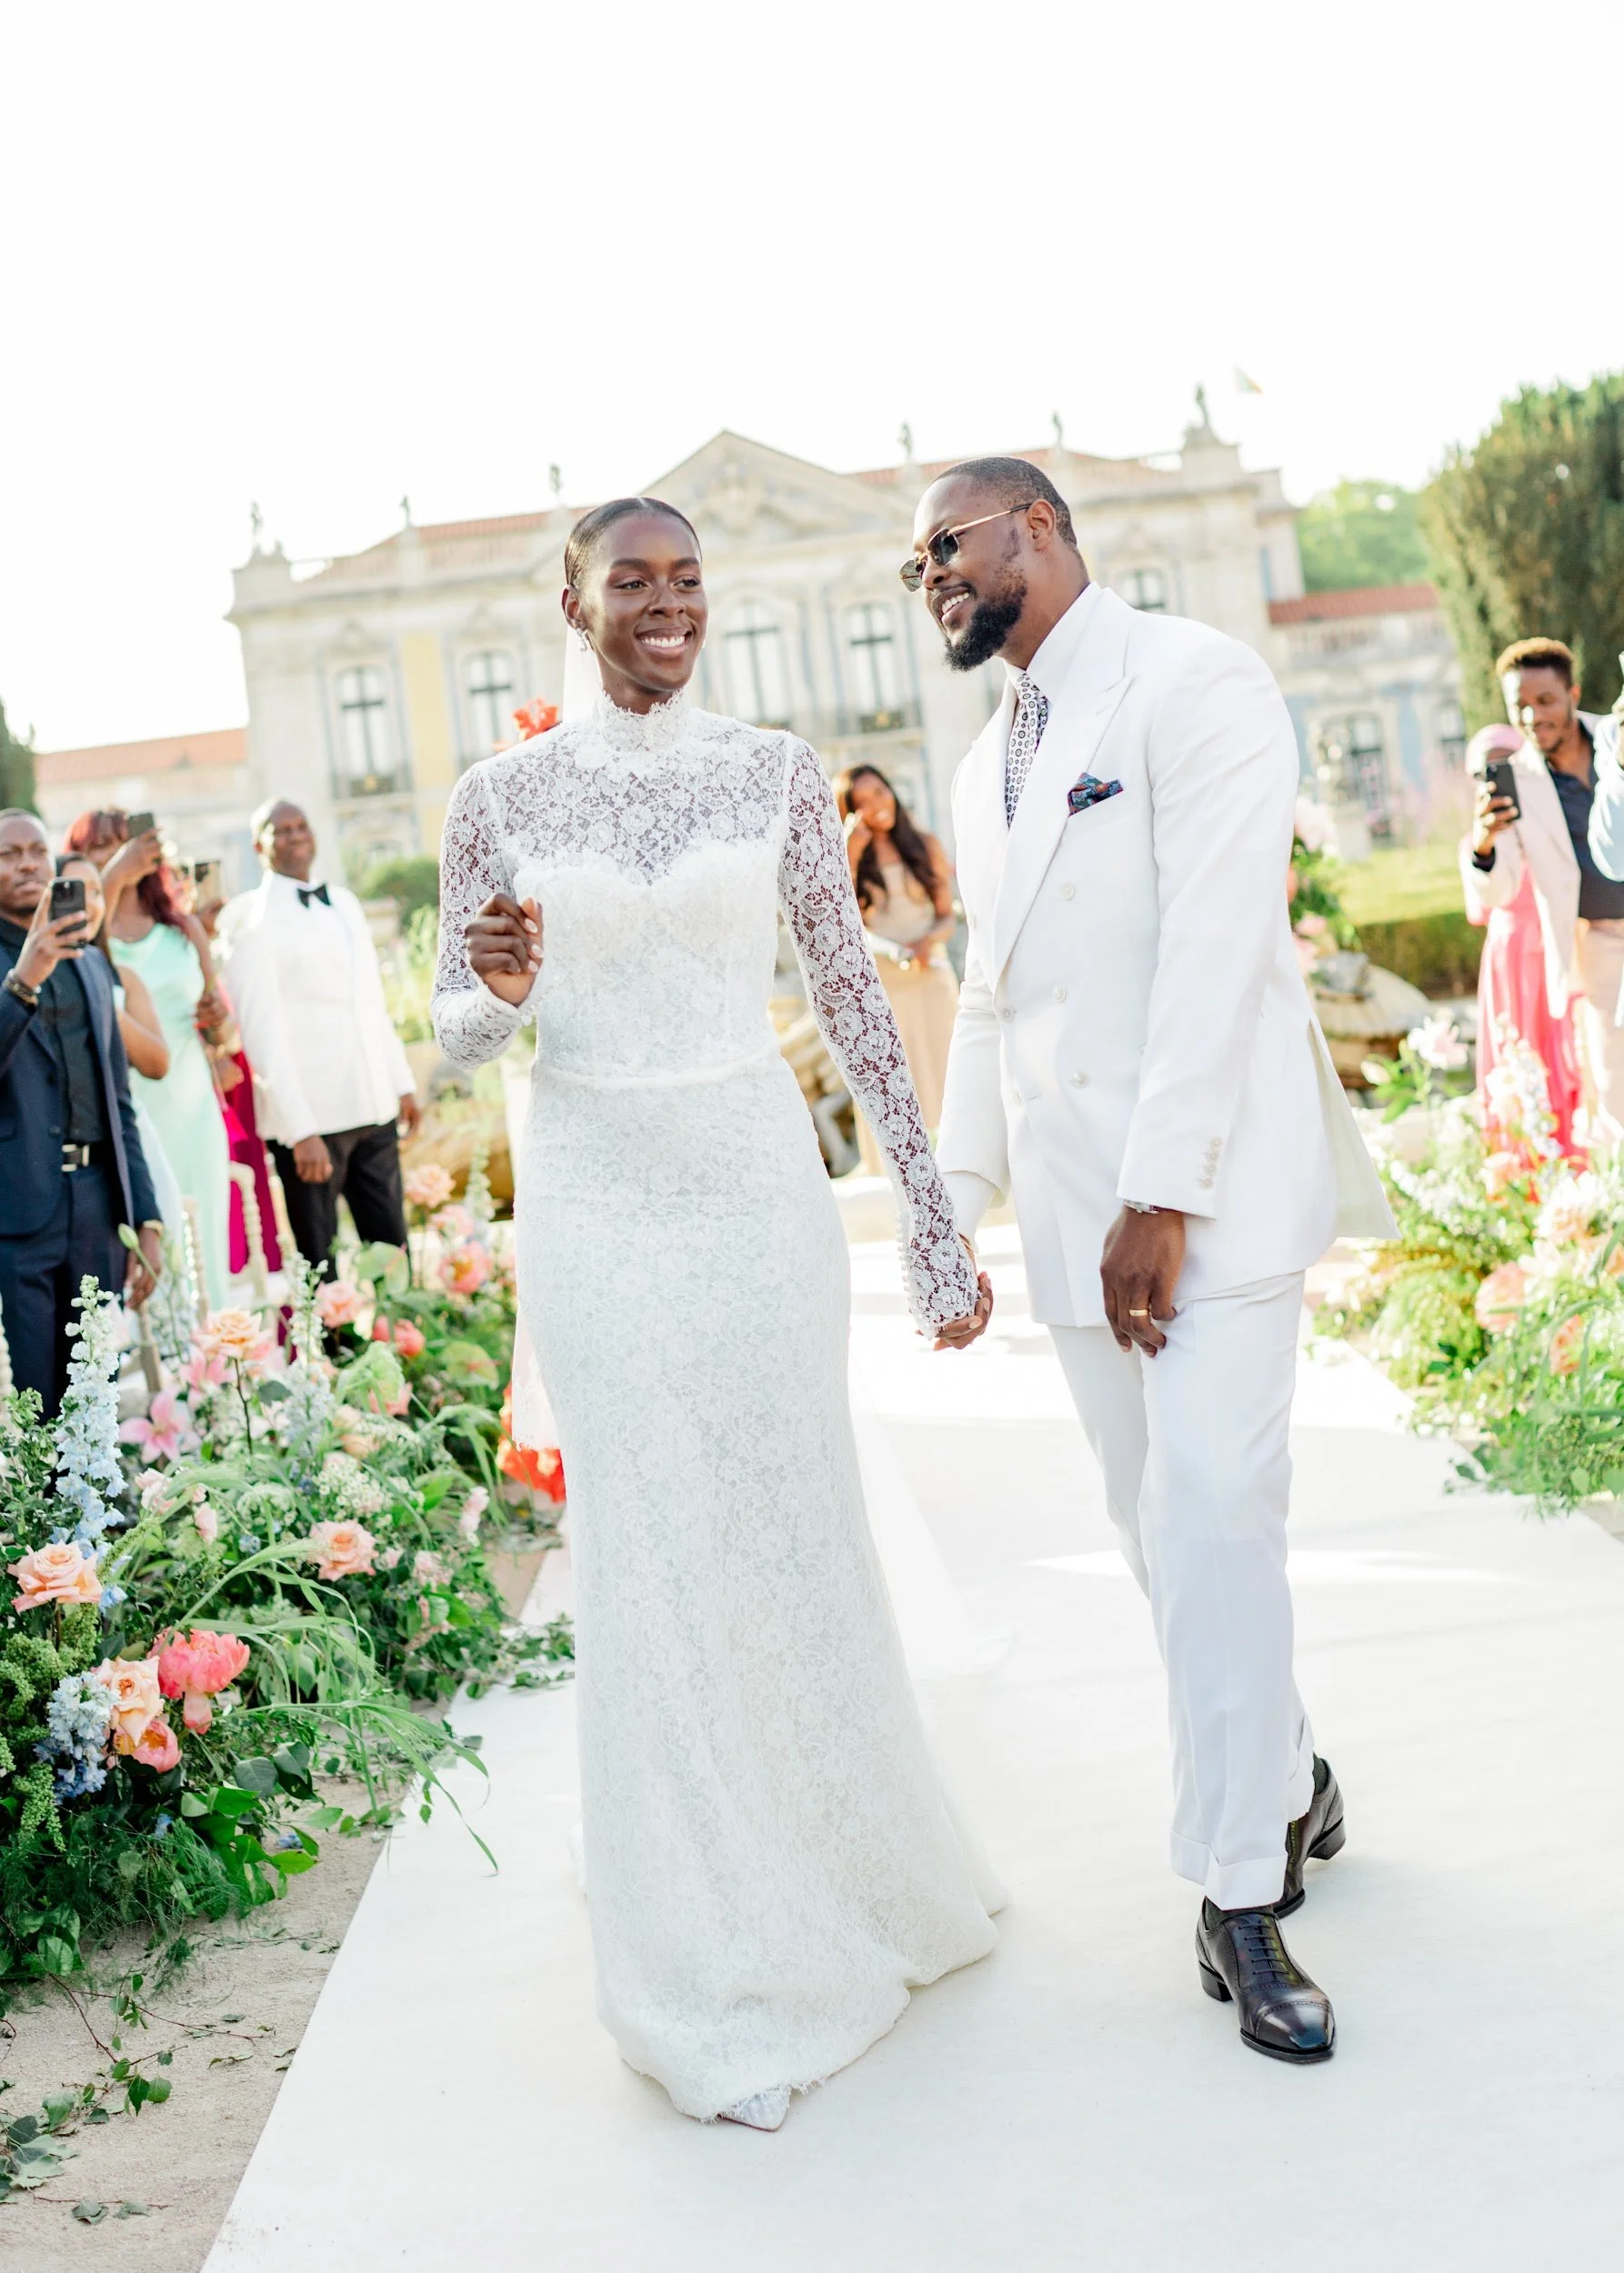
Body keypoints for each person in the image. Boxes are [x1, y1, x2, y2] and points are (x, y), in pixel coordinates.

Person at [432, 496, 998, 2131]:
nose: (669, 604)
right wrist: (498, 992)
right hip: (602, 1190)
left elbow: (843, 988)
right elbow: (460, 1036)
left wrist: (931, 1216)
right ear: (572, 599)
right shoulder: (499, 798)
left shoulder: (771, 769)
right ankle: (698, 1939)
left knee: (785, 1523)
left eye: (689, 579)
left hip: (756, 1188)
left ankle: (841, 1865)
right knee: (653, 1543)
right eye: (635, 580)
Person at [912, 457, 1394, 2065]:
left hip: (1209, 1207)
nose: (931, 582)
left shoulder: (1197, 677)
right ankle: (1292, 1774)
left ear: (1035, 529)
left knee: (1204, 1515)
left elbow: (1217, 943)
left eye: (946, 548)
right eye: (914, 566)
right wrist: (954, 1201)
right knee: (1155, 1537)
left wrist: (1162, 1192)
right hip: (1066, 1228)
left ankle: (1237, 1894)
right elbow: (989, 1000)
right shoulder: (985, 768)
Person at [0, 811, 161, 1412]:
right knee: (37, 1396)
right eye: (8, 855)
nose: (25, 864)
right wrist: (23, 981)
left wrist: (145, 1215)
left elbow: (120, 1101)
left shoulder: (94, 964)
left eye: (36, 852)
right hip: (19, 1212)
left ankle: (97, 1504)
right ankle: (42, 1509)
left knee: (96, 1384)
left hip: (98, 1206)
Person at [218, 801, 419, 1277]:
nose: (294, 836)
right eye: (280, 830)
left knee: (392, 1251)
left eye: (301, 826)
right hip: (312, 1122)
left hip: (374, 1106)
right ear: (259, 845)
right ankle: (336, 1352)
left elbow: (371, 1001)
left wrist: (402, 1083)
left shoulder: (345, 903)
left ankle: (404, 1345)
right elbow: (261, 1033)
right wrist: (299, 1129)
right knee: (320, 1266)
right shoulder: (252, 924)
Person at [1468, 637, 1624, 1140]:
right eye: (1521, 707)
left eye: (1546, 701)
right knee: (1615, 1085)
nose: (1534, 717)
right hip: (1600, 944)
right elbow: (1500, 888)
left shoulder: (1616, 737)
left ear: (1573, 693)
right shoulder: (1514, 782)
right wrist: (1484, 843)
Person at [100, 834, 234, 1306]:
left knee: (208, 1241)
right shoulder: (91, 945)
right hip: (136, 1111)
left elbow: (220, 1036)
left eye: (122, 842)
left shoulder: (182, 930)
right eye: (102, 848)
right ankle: (168, 1360)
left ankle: (219, 1359)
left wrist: (217, 1021)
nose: (117, 853)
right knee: (158, 1238)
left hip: (194, 1101)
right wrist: (114, 876)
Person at [1459, 722, 1584, 1154]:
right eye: (1485, 773)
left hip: (1556, 954)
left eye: (1505, 767)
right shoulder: (1475, 839)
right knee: (1517, 1061)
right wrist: (1485, 841)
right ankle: (1523, 1168)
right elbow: (1479, 909)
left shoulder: (1553, 824)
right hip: (1509, 964)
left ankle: (1575, 1156)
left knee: (1567, 1061)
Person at [834, 764, 959, 1173]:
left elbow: (947, 917)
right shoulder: (848, 856)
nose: (875, 806)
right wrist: (849, 851)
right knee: (897, 1079)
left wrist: (928, 942)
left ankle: (960, 1161)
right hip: (882, 983)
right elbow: (840, 917)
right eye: (862, 802)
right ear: (851, 811)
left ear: (893, 790)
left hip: (929, 973)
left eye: (880, 792)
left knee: (949, 1069)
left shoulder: (923, 844)